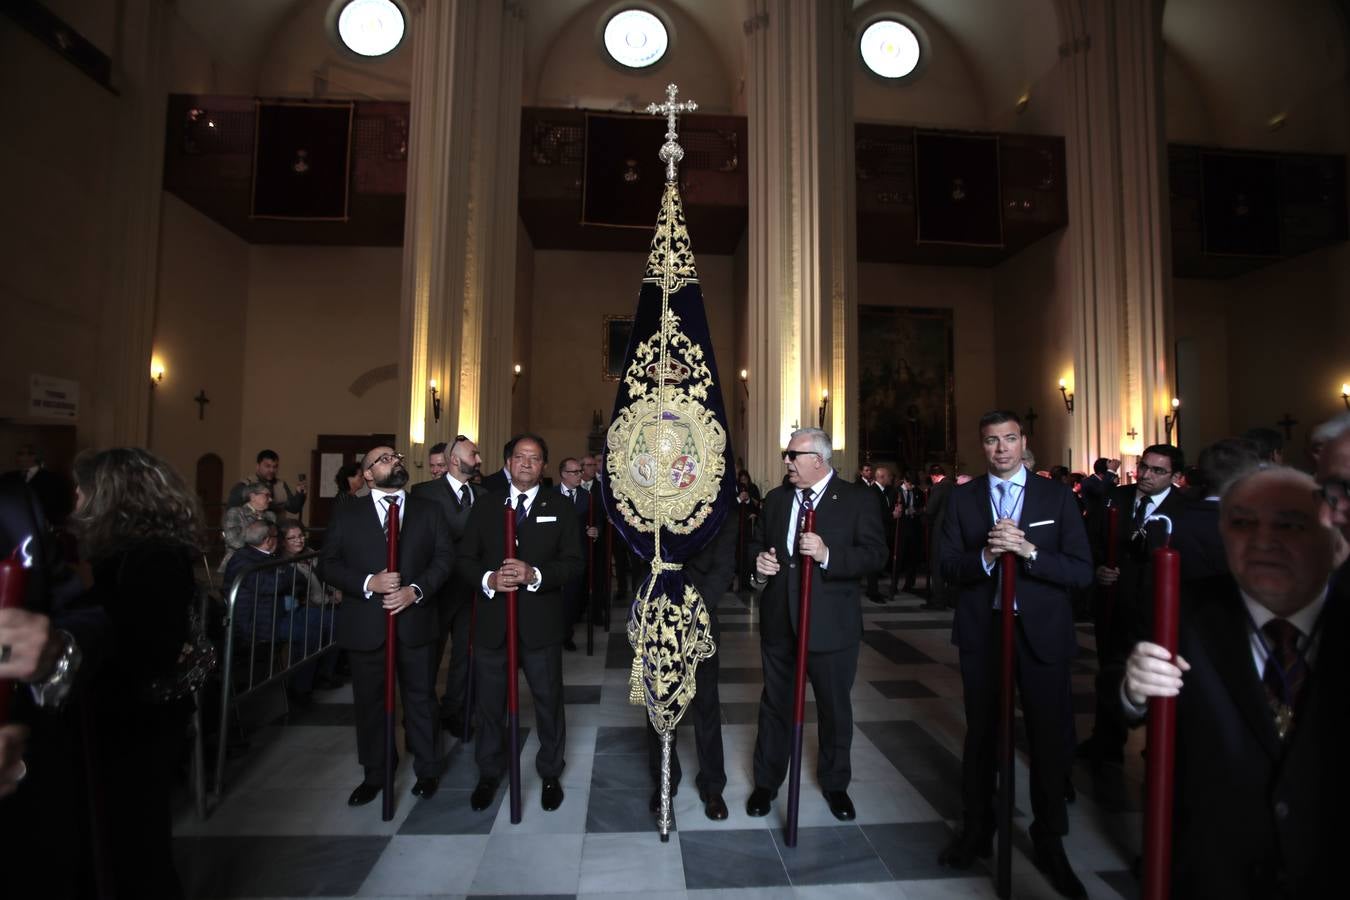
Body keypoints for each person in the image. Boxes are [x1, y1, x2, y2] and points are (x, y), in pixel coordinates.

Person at [1122, 466, 1348, 898]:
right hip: (1218, 868)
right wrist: (1134, 692)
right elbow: (1138, 704)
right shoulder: (1182, 612)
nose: (1264, 541)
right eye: (1243, 523)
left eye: (1288, 522)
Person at [938, 410, 1093, 899]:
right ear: (981, 447)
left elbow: (1081, 571)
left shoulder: (1055, 496)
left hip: (1042, 633)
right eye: (990, 441)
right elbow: (945, 565)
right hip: (985, 633)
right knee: (983, 737)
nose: (1001, 449)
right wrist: (985, 557)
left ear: (1022, 441)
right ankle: (976, 831)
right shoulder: (961, 499)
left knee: (1049, 739)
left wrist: (1028, 552)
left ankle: (1050, 841)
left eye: (1008, 439)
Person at [69, 448, 203, 898]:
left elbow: (148, 644)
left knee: (137, 837)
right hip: (123, 709)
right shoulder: (120, 553)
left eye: (82, 491)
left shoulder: (153, 557)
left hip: (136, 712)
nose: (76, 501)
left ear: (110, 495)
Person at [747, 427, 888, 823]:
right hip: (779, 623)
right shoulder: (776, 500)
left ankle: (835, 783)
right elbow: (757, 544)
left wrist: (829, 554)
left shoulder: (857, 499)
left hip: (832, 626)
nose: (787, 462)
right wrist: (758, 565)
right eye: (787, 455)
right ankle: (766, 781)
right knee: (775, 704)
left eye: (793, 455)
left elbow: (876, 555)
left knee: (833, 708)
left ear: (819, 460)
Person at [456, 434, 583, 814]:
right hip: (495, 624)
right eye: (519, 457)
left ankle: (549, 772)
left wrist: (536, 573)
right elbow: (464, 559)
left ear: (544, 466)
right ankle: (489, 771)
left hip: (540, 624)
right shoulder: (486, 505)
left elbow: (575, 563)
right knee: (490, 703)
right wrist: (489, 580)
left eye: (535, 458)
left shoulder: (559, 507)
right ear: (508, 462)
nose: (526, 463)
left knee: (547, 701)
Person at [318, 446, 452, 805]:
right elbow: (327, 563)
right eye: (383, 459)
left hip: (415, 621)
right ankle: (376, 773)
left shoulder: (428, 510)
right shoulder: (349, 514)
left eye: (396, 456)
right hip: (367, 624)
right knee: (370, 703)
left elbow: (444, 559)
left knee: (421, 698)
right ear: (366, 475)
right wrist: (367, 583)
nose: (395, 461)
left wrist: (415, 590)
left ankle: (428, 768)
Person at [1079, 444, 1186, 767]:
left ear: (1176, 477)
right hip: (1114, 602)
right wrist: (1098, 569)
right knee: (1111, 670)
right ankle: (1107, 741)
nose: (1146, 475)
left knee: (1156, 676)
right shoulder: (1117, 498)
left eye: (1158, 471)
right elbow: (1091, 541)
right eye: (1144, 467)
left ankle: (1160, 744)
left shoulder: (1184, 508)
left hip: (1157, 608)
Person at [645, 513, 736, 820]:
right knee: (658, 701)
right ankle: (664, 780)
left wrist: (692, 612)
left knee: (706, 704)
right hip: (658, 615)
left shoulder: (721, 506)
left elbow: (724, 568)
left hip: (702, 617)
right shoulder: (655, 500)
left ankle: (712, 785)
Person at [410, 435, 484, 735]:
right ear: (455, 460)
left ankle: (456, 710)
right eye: (474, 454)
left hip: (471, 588)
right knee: (429, 654)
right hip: (436, 588)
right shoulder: (423, 493)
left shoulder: (484, 494)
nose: (479, 460)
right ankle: (421, 715)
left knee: (466, 656)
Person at [554, 456, 597, 652]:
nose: (579, 475)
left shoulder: (586, 497)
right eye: (575, 472)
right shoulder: (550, 495)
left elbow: (596, 522)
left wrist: (596, 531)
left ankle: (566, 634)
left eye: (580, 471)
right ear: (563, 474)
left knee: (572, 597)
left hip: (577, 553)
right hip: (554, 555)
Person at [1, 443, 73, 526]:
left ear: (36, 456)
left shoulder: (52, 479)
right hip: (14, 525)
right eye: (20, 454)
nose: (23, 457)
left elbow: (61, 505)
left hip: (43, 525)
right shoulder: (8, 477)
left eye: (29, 453)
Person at [227, 449, 307, 519]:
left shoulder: (281, 485)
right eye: (267, 466)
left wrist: (300, 494)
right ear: (258, 466)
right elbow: (232, 513)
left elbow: (294, 509)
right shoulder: (245, 485)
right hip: (252, 531)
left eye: (275, 467)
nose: (272, 470)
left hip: (277, 531)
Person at [220, 482, 276, 572]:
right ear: (253, 496)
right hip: (239, 562)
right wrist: (259, 550)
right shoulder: (236, 512)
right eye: (267, 495)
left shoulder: (271, 516)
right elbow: (233, 541)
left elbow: (275, 541)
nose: (270, 499)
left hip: (266, 562)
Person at [923, 464, 953, 609]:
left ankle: (938, 599)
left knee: (936, 565)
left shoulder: (939, 487)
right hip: (951, 530)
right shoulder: (953, 486)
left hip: (939, 530)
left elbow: (930, 510)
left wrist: (925, 516)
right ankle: (949, 597)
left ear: (934, 476)